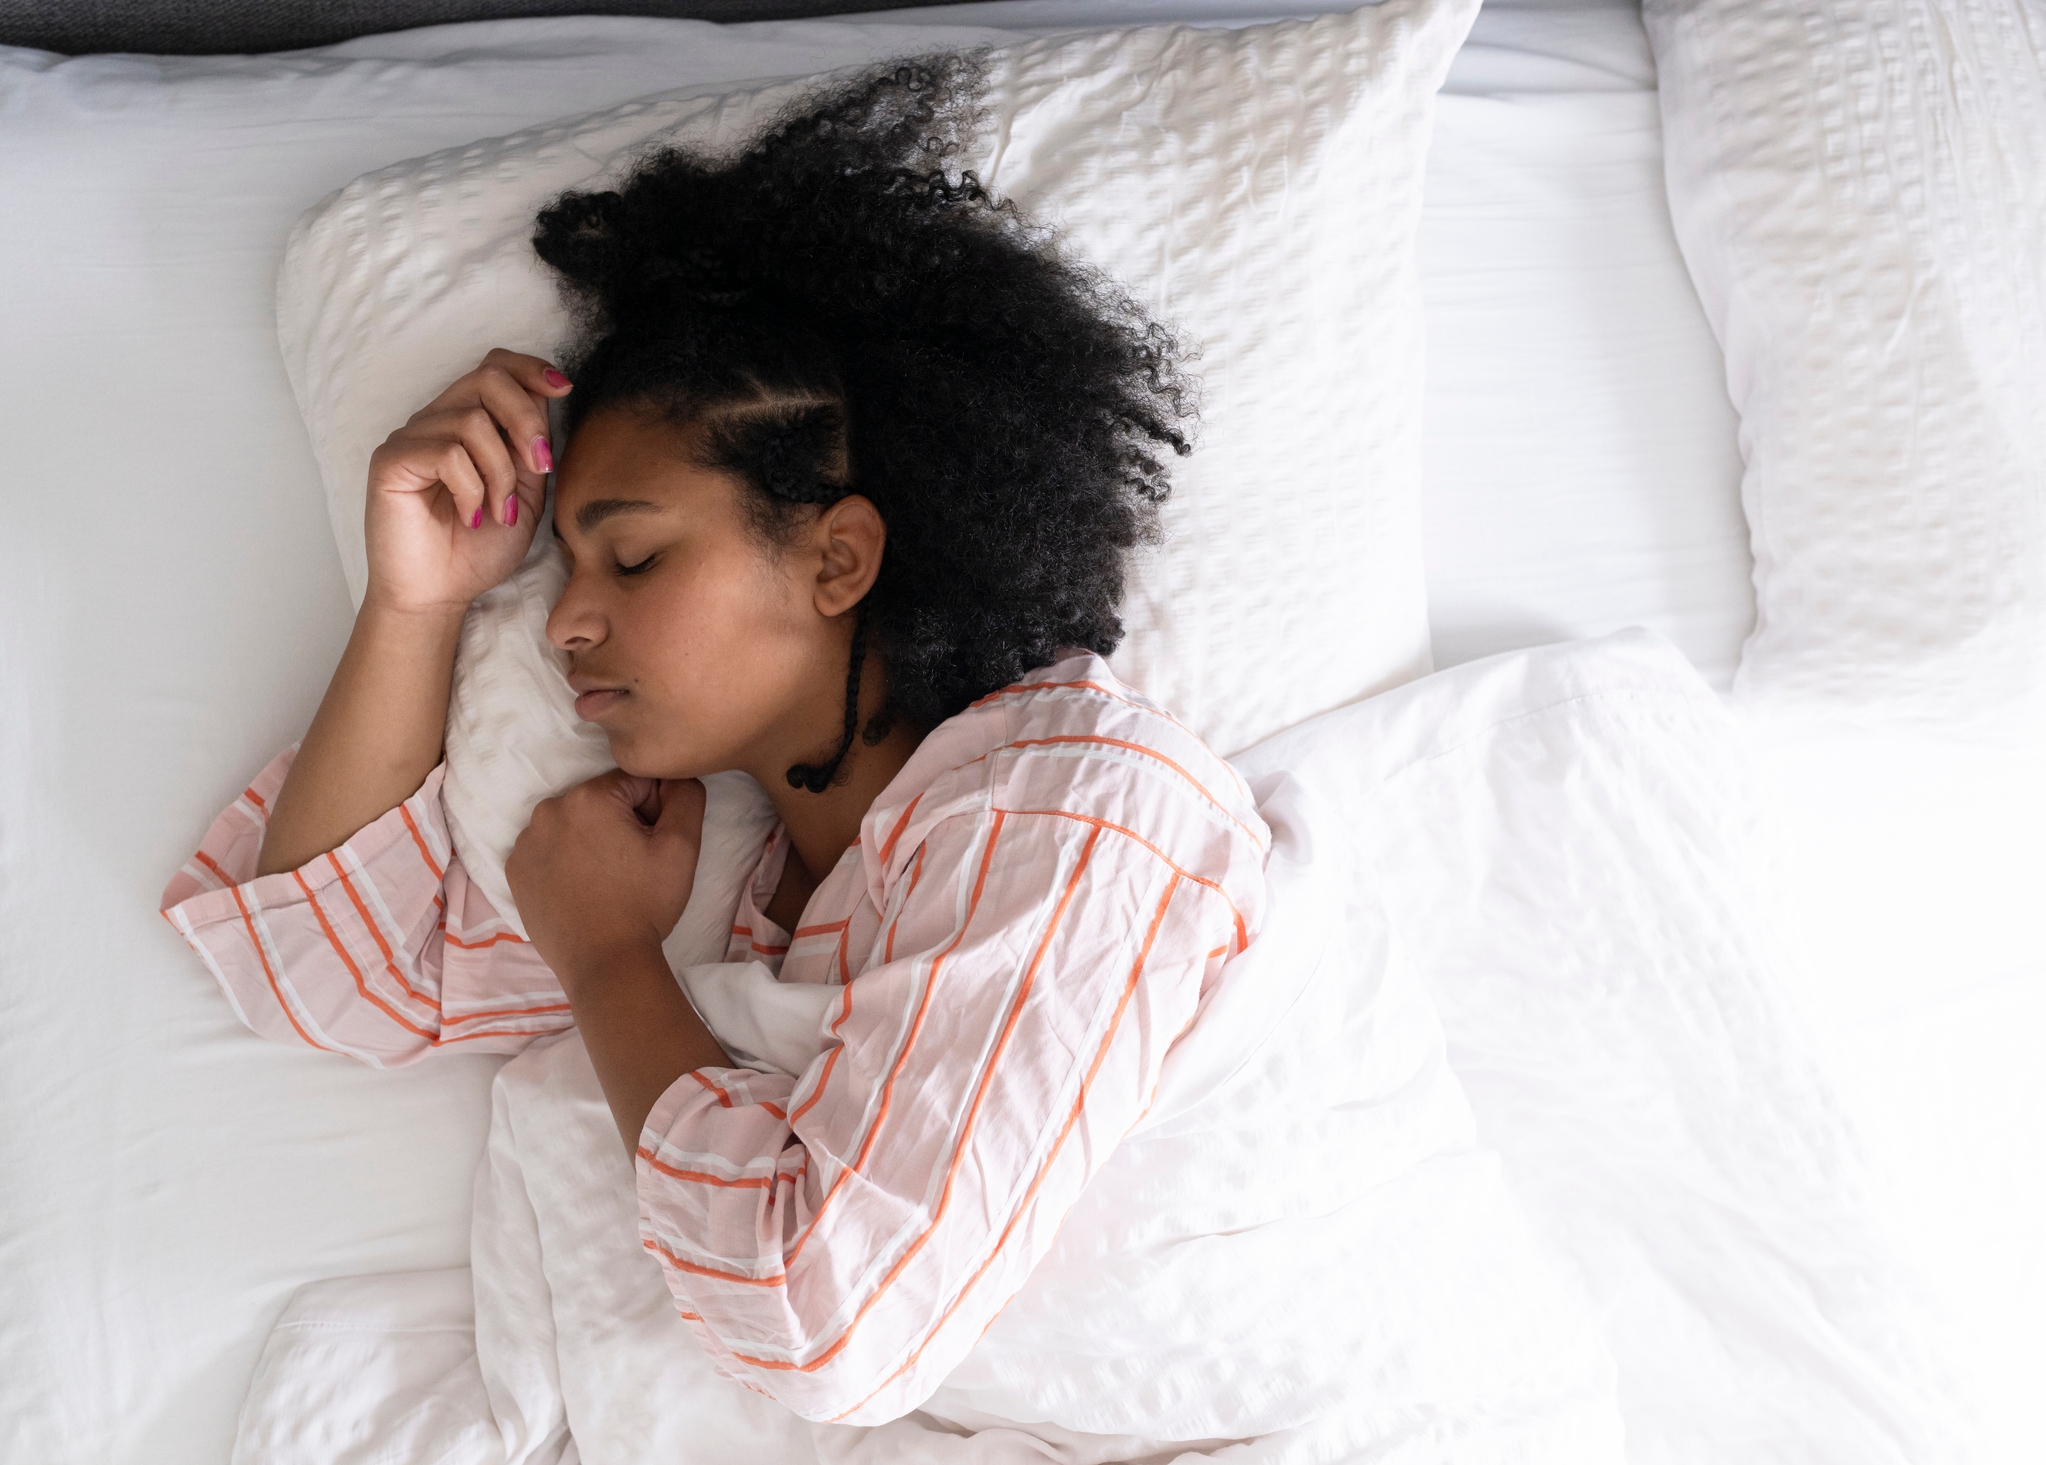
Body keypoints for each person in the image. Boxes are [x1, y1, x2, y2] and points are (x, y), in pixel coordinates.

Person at [159, 56, 1267, 1427]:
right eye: (563, 568)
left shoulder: (1083, 809)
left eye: (629, 557)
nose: (564, 620)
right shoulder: (748, 894)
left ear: (837, 556)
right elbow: (336, 977)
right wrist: (416, 601)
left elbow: (828, 1326)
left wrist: (610, 960)